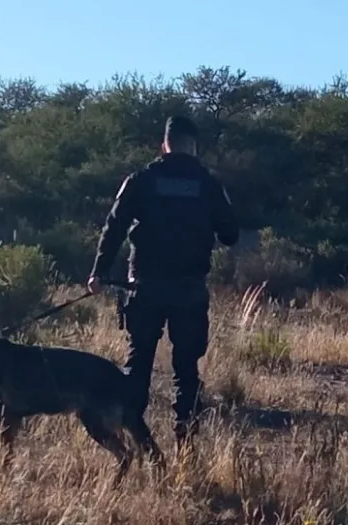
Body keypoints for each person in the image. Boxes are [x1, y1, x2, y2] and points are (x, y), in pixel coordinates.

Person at [87, 115, 239, 453]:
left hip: (145, 287)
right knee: (186, 370)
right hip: (189, 289)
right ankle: (185, 447)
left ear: (164, 144)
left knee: (138, 364)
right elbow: (231, 234)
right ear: (193, 146)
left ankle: (139, 443)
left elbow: (113, 228)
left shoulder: (141, 180)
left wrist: (98, 271)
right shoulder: (208, 183)